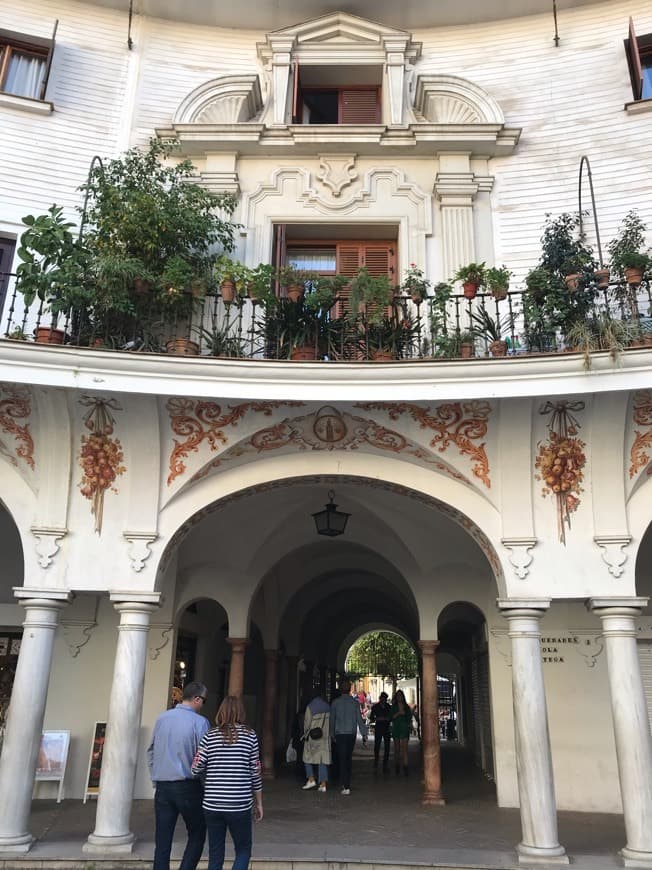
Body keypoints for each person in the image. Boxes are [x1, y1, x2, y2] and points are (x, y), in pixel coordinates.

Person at [191, 695, 263, 870]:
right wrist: (259, 803)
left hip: (212, 804)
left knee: (215, 853)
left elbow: (195, 768)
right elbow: (256, 772)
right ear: (241, 712)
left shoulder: (210, 736)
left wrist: (209, 778)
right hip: (239, 805)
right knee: (243, 850)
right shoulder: (250, 736)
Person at [148, 680, 210, 870]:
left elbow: (151, 751)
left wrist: (155, 777)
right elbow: (204, 757)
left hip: (163, 786)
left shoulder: (162, 718)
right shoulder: (200, 722)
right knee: (197, 833)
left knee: (163, 839)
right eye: (203, 701)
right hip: (188, 786)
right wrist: (205, 784)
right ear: (197, 699)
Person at [330, 679, 367, 795]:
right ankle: (347, 783)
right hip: (351, 734)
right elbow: (359, 720)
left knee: (341, 758)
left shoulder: (335, 703)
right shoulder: (355, 703)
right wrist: (364, 733)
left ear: (340, 689)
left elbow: (332, 720)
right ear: (350, 689)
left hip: (340, 734)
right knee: (348, 758)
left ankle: (344, 784)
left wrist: (331, 733)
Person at [301, 691, 331, 792]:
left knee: (306, 758)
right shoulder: (327, 706)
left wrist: (305, 734)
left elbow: (307, 723)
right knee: (322, 760)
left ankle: (311, 779)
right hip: (325, 737)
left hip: (313, 737)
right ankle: (323, 785)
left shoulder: (310, 707)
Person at [391, 689, 414, 776]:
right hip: (396, 728)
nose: (399, 697)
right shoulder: (393, 707)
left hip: (404, 729)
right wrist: (398, 713)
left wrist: (404, 714)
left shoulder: (406, 707)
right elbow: (391, 717)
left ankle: (405, 767)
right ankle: (397, 766)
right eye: (398, 696)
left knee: (405, 749)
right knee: (397, 749)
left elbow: (409, 718)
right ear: (396, 697)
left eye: (401, 696)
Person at [369, 691, 392, 771]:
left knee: (387, 746)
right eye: (382, 698)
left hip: (386, 727)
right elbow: (371, 717)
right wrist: (377, 719)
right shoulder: (375, 707)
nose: (383, 700)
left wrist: (388, 719)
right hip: (378, 727)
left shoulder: (388, 706)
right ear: (380, 699)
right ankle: (376, 760)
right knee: (377, 745)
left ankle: (385, 763)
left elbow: (391, 716)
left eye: (385, 699)